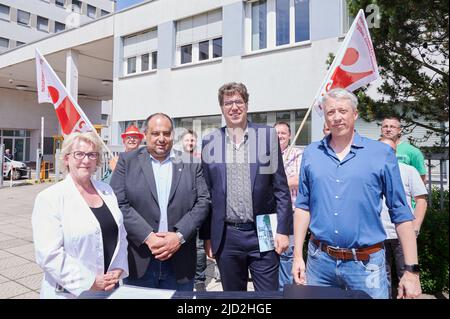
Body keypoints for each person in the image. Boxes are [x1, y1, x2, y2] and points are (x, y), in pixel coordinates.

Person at [292, 88, 422, 299]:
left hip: (366, 265)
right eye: (330, 112)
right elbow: (303, 206)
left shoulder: (381, 154)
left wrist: (411, 270)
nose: (336, 117)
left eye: (342, 110)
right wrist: (298, 256)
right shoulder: (311, 154)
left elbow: (401, 212)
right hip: (319, 263)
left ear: (355, 114)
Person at [201, 82, 292, 291]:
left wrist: (283, 230)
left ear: (247, 104)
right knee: (233, 299)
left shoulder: (267, 136)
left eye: (238, 101)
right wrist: (207, 236)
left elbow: (281, 189)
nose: (234, 107)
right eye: (228, 103)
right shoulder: (210, 142)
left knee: (268, 296)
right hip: (227, 235)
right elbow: (206, 194)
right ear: (221, 108)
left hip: (264, 229)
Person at [110, 113, 210, 291]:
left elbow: (203, 202)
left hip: (181, 261)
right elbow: (119, 203)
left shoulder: (191, 163)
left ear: (173, 135)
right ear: (146, 135)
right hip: (140, 260)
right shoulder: (127, 162)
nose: (161, 139)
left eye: (166, 133)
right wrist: (148, 237)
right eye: (155, 133)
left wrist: (178, 237)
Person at [32, 131, 129, 299]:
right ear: (66, 158)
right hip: (71, 291)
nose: (86, 160)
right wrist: (90, 281)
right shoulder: (50, 198)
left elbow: (121, 235)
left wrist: (119, 269)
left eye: (92, 155)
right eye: (79, 154)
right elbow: (48, 254)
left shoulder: (107, 191)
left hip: (109, 287)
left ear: (97, 160)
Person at [379, 137, 428, 298]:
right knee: (380, 279)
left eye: (391, 150)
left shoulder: (408, 171)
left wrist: (416, 226)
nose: (386, 153)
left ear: (395, 152)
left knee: (406, 278)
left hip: (402, 235)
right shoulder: (370, 171)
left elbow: (421, 200)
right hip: (377, 236)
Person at [274, 121, 303, 291]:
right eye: (276, 133)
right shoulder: (266, 156)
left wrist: (277, 180)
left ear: (290, 135)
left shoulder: (298, 154)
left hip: (290, 212)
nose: (280, 136)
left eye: (283, 133)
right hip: (270, 213)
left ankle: (284, 291)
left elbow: (299, 180)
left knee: (287, 254)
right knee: (270, 253)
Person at [180, 129, 207, 291]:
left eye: (192, 140)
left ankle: (200, 280)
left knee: (199, 247)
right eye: (187, 140)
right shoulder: (176, 160)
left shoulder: (201, 161)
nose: (190, 143)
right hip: (181, 212)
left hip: (197, 211)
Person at [381, 116, 427, 182]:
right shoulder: (373, 148)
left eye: (392, 127)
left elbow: (421, 179)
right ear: (381, 129)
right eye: (385, 126)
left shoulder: (413, 151)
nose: (388, 129)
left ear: (399, 130)